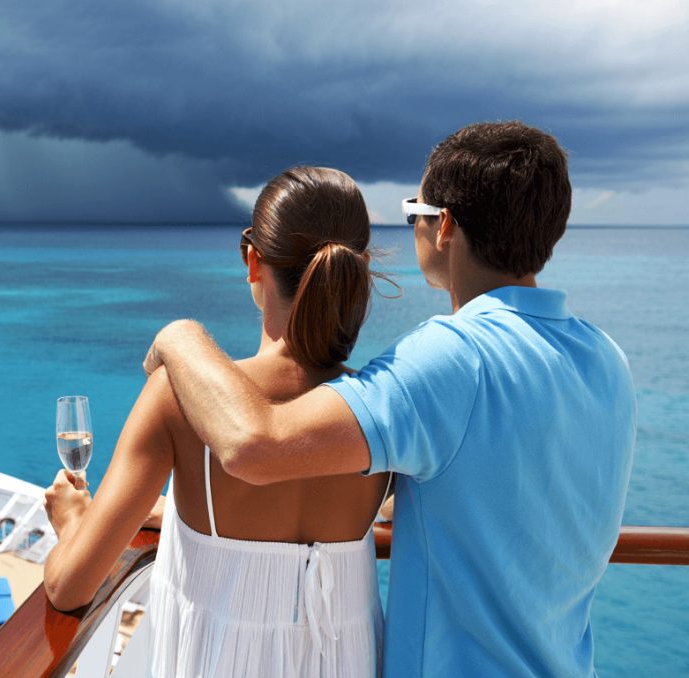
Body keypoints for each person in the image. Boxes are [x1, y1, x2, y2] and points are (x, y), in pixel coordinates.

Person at [143, 121, 636, 676]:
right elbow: (496, 496)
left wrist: (179, 338)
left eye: (414, 213)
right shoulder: (605, 358)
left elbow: (257, 446)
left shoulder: (450, 357)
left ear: (444, 226)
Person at [45, 166, 392, 676]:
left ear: (254, 261)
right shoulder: (384, 403)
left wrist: (74, 521)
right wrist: (175, 517)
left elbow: (69, 585)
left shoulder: (177, 398)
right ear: (358, 267)